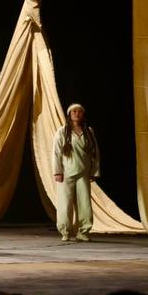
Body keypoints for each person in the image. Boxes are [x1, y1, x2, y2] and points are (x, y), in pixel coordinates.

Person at [51, 102, 100, 242]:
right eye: (74, 111)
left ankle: (83, 231)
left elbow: (95, 153)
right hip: (66, 173)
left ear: (83, 114)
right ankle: (65, 231)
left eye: (79, 111)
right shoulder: (62, 131)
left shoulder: (88, 131)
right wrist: (57, 171)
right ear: (69, 114)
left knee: (84, 204)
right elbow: (56, 153)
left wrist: (94, 171)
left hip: (83, 172)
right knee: (65, 204)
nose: (77, 114)